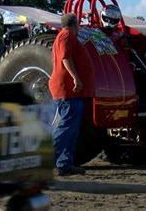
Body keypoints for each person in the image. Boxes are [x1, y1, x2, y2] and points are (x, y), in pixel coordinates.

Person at [49, 13, 87, 177]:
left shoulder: (62, 36)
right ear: (74, 24)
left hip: (67, 88)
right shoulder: (66, 36)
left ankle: (64, 163)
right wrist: (76, 78)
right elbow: (66, 57)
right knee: (66, 126)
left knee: (70, 127)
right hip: (67, 88)